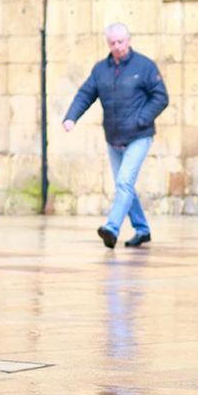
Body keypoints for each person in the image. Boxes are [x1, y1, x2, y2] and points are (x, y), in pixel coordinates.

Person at [63, 23, 169, 249]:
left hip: (139, 136)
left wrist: (142, 119)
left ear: (128, 41)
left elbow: (161, 97)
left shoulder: (145, 66)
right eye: (112, 43)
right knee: (126, 186)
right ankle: (142, 229)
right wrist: (71, 117)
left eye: (121, 41)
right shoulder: (101, 69)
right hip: (114, 138)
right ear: (108, 44)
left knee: (123, 183)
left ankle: (111, 227)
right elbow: (85, 94)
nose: (117, 46)